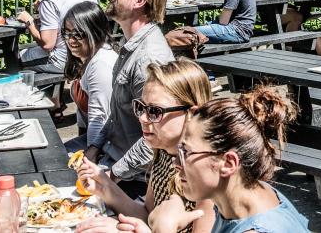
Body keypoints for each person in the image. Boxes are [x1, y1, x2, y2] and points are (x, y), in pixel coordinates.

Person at [118, 87, 309, 233]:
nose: (176, 163)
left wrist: (164, 229)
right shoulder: (249, 194)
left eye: (186, 152)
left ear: (228, 163)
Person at [75, 59, 216, 233]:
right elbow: (147, 216)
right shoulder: (163, 152)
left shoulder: (208, 174)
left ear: (191, 113)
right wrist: (104, 186)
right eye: (141, 107)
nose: (142, 118)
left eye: (155, 111)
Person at [86, 0, 174, 198]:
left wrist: (110, 177)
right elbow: (118, 113)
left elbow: (157, 137)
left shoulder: (148, 60)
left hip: (136, 183)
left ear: (139, 1)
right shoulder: (130, 48)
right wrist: (93, 148)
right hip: (112, 162)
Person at [16, 0, 98, 73]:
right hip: (92, 54)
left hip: (67, 60)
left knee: (17, 57)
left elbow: (47, 44)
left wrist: (29, 21)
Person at [62, 2, 117, 154]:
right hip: (94, 140)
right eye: (67, 33)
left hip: (109, 147)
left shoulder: (100, 65)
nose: (71, 40)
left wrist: (90, 159)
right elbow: (83, 116)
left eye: (78, 34)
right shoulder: (88, 59)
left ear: (95, 31)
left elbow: (99, 119)